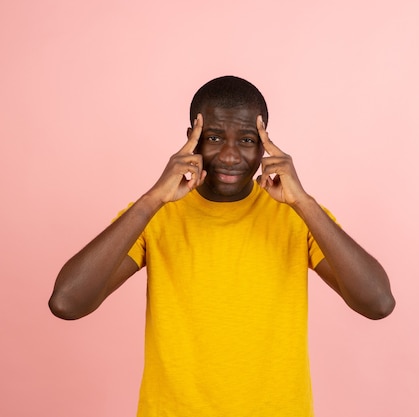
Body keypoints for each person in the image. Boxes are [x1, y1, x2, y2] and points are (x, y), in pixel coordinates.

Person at [49, 75, 395, 416]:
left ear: (265, 145)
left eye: (247, 140)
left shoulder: (294, 215)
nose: (230, 156)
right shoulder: (156, 214)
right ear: (191, 140)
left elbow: (377, 302)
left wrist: (304, 203)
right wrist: (151, 199)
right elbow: (67, 302)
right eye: (214, 137)